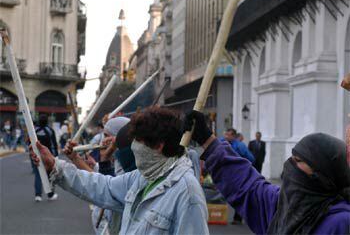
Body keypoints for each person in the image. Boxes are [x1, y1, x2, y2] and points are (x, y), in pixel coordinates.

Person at [31, 107, 209, 234]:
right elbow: (103, 186)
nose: (134, 147)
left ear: (159, 145)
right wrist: (55, 165)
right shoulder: (144, 176)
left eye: (139, 140)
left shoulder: (187, 194)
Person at [184, 110, 350, 234]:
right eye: (291, 158)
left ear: (322, 173)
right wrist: (208, 141)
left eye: (298, 161)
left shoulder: (341, 223)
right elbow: (248, 186)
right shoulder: (285, 205)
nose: (290, 166)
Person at [33, 114, 59, 202]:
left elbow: (30, 142)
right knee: (50, 176)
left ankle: (38, 195)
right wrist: (55, 156)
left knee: (38, 175)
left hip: (36, 156)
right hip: (48, 156)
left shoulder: (35, 130)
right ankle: (50, 194)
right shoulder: (50, 131)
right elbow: (53, 144)